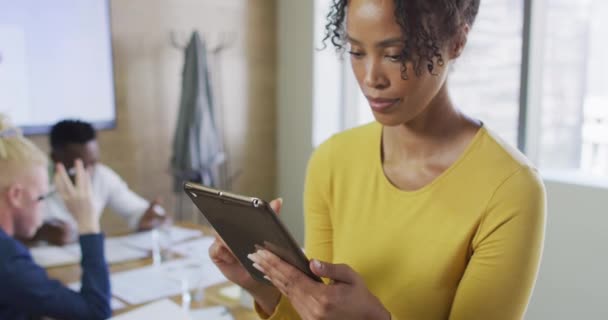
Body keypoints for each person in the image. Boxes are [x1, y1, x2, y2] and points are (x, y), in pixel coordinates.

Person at [210, 0, 546, 319]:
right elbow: (319, 310)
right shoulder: (333, 161)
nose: (371, 77)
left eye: (395, 54)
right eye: (356, 51)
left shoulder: (510, 189)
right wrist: (266, 288)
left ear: (457, 41)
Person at [0, 115, 111, 319]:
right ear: (15, 195)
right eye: (40, 197)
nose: (42, 208)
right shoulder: (7, 262)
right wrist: (88, 224)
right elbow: (96, 312)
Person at [34, 119, 167, 245]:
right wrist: (40, 233)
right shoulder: (36, 183)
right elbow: (14, 233)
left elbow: (138, 210)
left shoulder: (100, 175)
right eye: (80, 166)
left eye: (93, 162)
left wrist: (149, 218)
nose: (89, 172)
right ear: (55, 158)